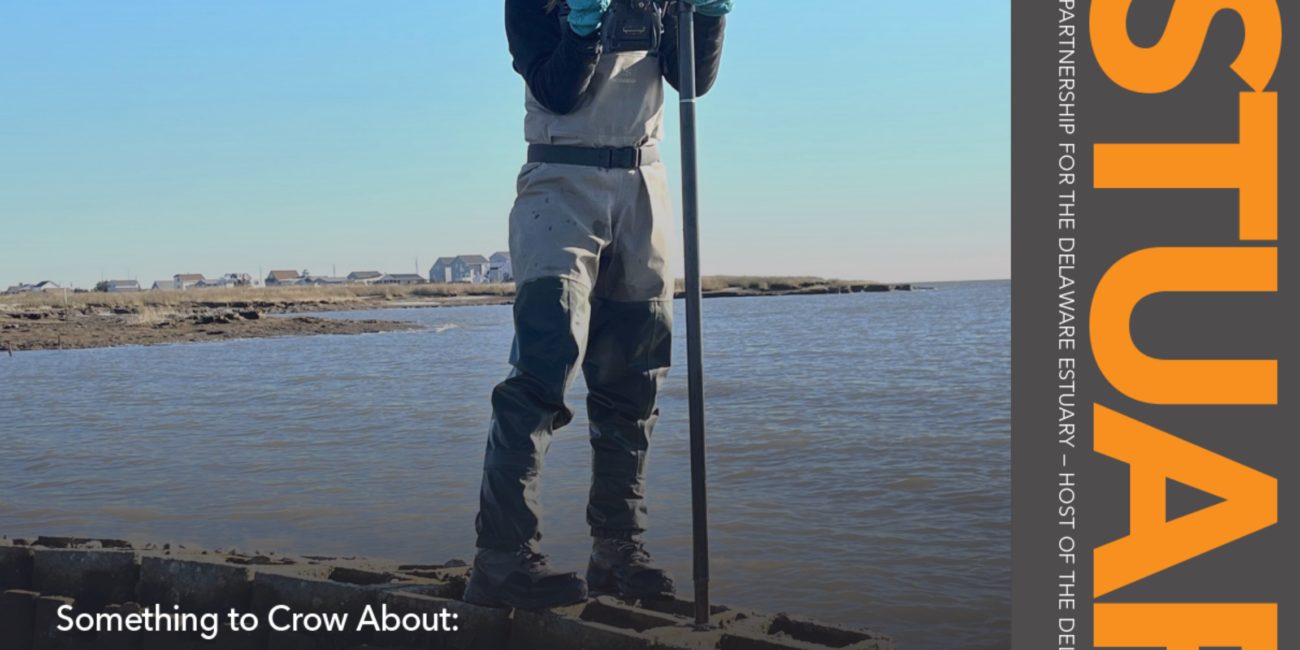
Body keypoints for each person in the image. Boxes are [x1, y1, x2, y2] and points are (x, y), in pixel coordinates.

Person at [463, 0, 732, 610]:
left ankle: (617, 550)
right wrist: (584, 28)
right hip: (560, 181)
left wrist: (709, 17)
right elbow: (555, 92)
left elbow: (691, 81)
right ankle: (502, 557)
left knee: (635, 382)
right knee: (543, 367)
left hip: (644, 185)